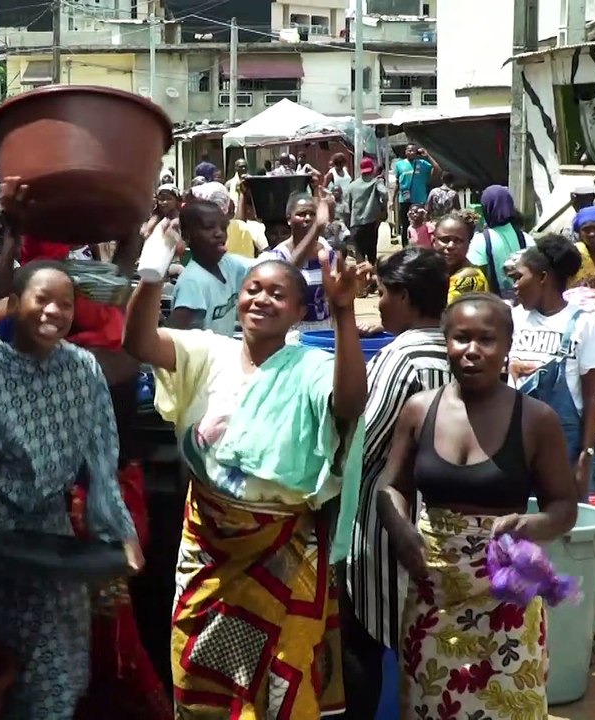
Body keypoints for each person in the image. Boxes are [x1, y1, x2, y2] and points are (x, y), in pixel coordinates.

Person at [123, 249, 369, 719]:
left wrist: (343, 312)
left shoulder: (312, 367)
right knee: (198, 668)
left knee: (282, 672)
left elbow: (349, 402)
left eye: (278, 294)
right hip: (208, 549)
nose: (261, 300)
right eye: (253, 290)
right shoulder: (208, 351)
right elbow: (138, 342)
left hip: (283, 551)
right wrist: (152, 273)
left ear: (300, 310)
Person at [0, 262, 142, 720]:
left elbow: (102, 467)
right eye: (42, 299)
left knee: (56, 680)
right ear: (16, 303)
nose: (54, 312)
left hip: (54, 541)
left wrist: (121, 538)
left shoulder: (84, 370)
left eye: (65, 304)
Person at [375, 293, 578, 718]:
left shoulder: (535, 420)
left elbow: (564, 508)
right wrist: (400, 530)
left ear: (507, 346)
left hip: (505, 601)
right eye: (460, 338)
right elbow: (390, 486)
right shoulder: (419, 410)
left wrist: (527, 525)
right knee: (431, 705)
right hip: (432, 591)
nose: (472, 351)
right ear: (445, 342)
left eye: (486, 339)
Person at [337, 247, 454, 719]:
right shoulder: (460, 346)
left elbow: (364, 445)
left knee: (363, 642)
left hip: (386, 525)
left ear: (404, 296)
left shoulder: (403, 355)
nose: (379, 303)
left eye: (382, 293)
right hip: (441, 521)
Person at [507, 235, 595, 495]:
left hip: (566, 445)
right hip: (514, 439)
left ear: (542, 277)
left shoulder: (584, 324)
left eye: (519, 277)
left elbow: (592, 395)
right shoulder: (511, 319)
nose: (514, 285)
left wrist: (586, 454)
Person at [166, 199, 254, 334]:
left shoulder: (228, 264)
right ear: (188, 236)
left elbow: (272, 266)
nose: (219, 234)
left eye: (223, 227)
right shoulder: (193, 282)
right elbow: (172, 333)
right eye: (208, 227)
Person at [261, 191, 335, 334]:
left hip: (325, 330)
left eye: (312, 214)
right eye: (301, 214)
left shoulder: (327, 254)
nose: (307, 218)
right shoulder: (277, 256)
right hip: (291, 333)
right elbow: (288, 274)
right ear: (289, 219)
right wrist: (316, 229)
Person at [467, 185, 530, 301]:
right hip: (522, 304)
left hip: (493, 306)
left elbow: (476, 277)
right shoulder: (527, 238)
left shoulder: (480, 241)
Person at [341, 157, 388, 267]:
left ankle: (362, 281)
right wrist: (383, 209)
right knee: (372, 254)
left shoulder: (352, 185)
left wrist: (347, 224)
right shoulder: (376, 182)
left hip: (356, 224)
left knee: (359, 255)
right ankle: (372, 280)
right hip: (371, 223)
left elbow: (346, 207)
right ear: (372, 169)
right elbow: (385, 193)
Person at [434, 210, 489, 302]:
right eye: (445, 240)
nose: (450, 246)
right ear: (433, 241)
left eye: (458, 241)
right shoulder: (438, 271)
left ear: (468, 244)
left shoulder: (471, 279)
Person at [393, 144, 438, 239]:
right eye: (409, 150)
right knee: (405, 225)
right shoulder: (399, 165)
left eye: (414, 150)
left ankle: (420, 242)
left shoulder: (423, 163)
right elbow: (398, 183)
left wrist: (428, 156)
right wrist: (392, 199)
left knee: (421, 223)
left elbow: (436, 168)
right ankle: (405, 246)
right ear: (405, 152)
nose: (411, 152)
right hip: (405, 200)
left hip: (419, 199)